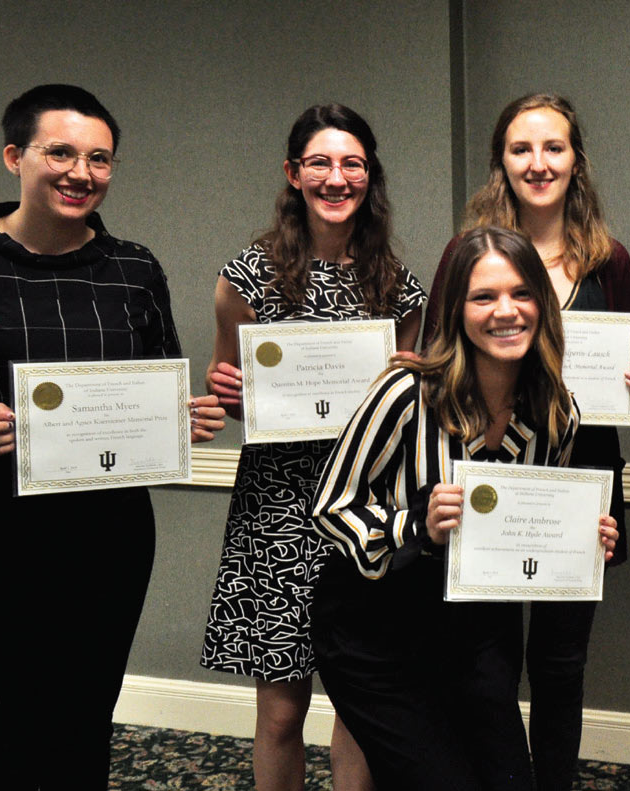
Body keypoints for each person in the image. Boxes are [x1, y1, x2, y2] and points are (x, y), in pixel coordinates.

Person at [0, 84, 225, 790]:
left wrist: (184, 417)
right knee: (6, 731)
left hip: (107, 538)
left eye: (99, 158)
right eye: (59, 151)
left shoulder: (134, 269)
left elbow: (153, 389)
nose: (80, 172)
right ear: (13, 156)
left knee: (84, 723)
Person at [310, 226, 619, 791]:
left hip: (477, 626)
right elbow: (333, 505)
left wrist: (581, 538)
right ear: (456, 309)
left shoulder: (558, 411)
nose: (507, 311)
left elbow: (529, 528)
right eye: (484, 297)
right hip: (375, 629)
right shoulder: (406, 393)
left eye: (522, 294)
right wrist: (416, 524)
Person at [422, 93, 630, 791]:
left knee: (560, 665)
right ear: (502, 161)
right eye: (522, 148)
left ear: (576, 159)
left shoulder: (609, 258)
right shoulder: (467, 252)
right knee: (484, 666)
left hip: (577, 485)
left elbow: (629, 370)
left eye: (554, 147)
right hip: (489, 479)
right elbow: (437, 359)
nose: (538, 162)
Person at [198, 103, 425, 791]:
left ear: (370, 175)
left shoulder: (400, 288)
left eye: (352, 163)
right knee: (279, 713)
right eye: (320, 163)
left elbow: (410, 415)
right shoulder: (245, 280)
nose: (337, 177)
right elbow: (229, 393)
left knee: (360, 705)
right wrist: (227, 392)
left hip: (363, 511)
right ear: (293, 174)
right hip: (278, 514)